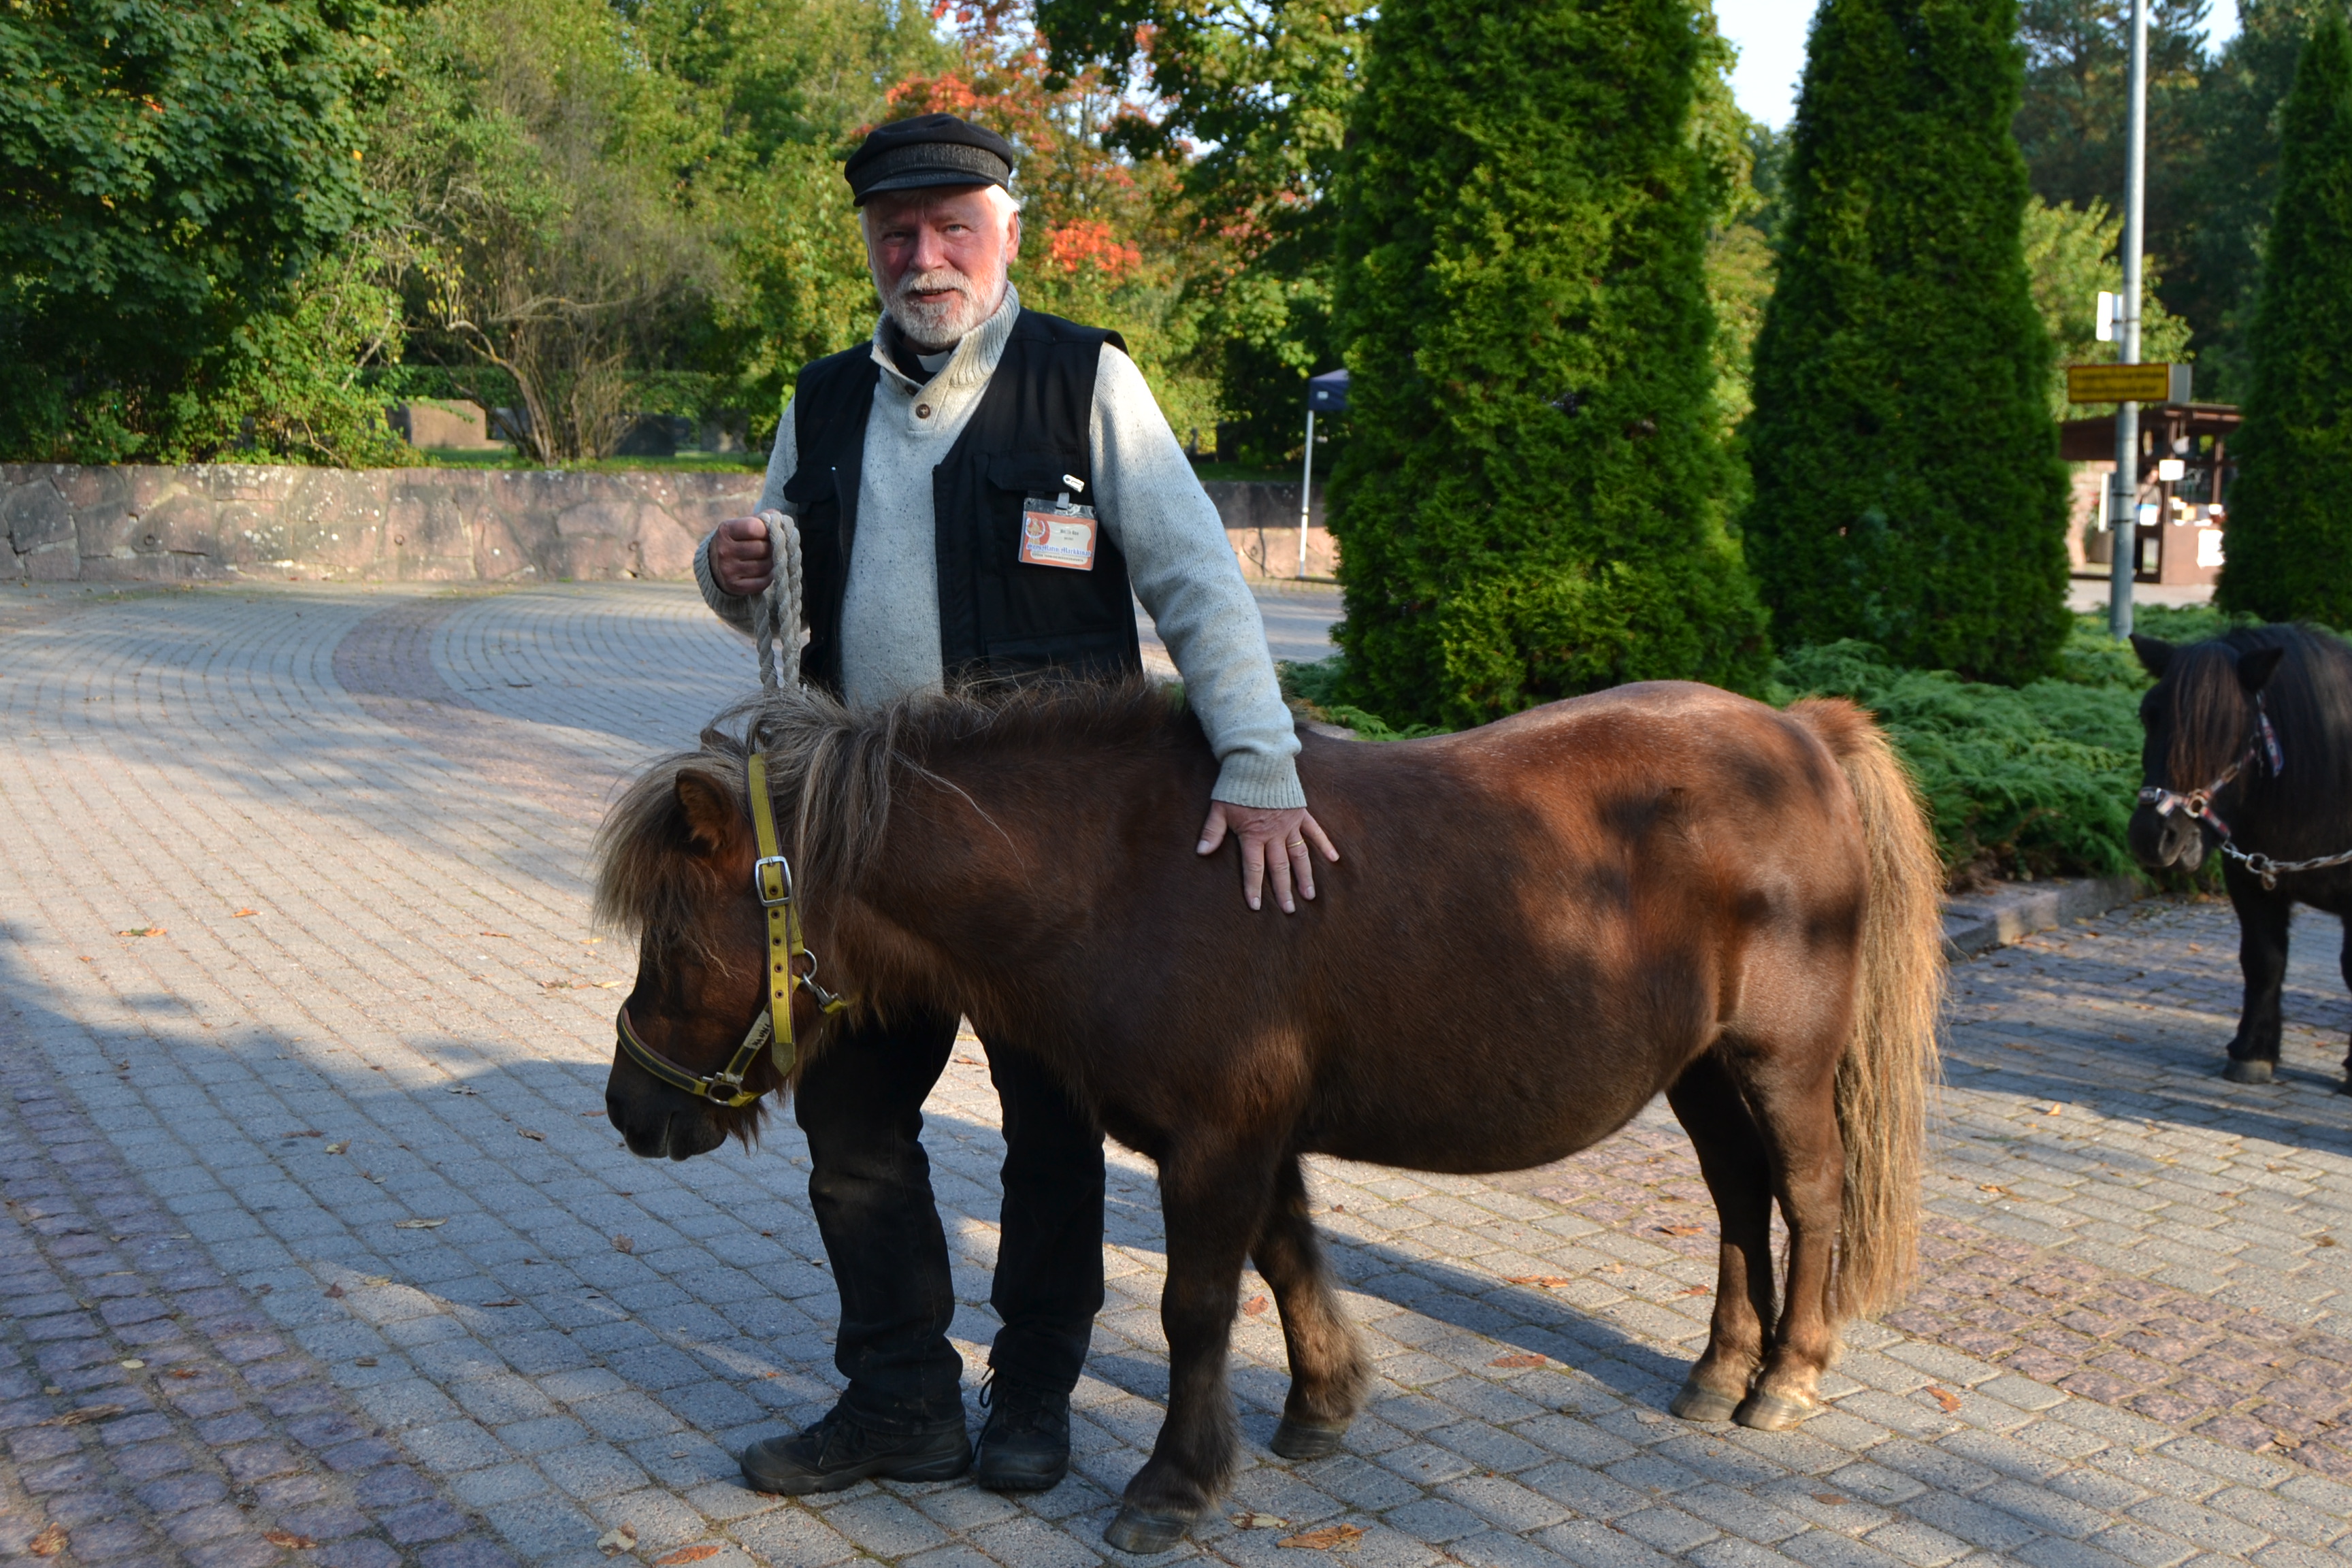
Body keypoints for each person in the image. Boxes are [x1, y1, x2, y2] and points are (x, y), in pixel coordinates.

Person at [696, 113, 1340, 1497]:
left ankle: (1036, 1389)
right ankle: (899, 1400)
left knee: (1054, 1135)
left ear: (1006, 233)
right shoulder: (821, 401)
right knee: (848, 1126)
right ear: (871, 245)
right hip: (870, 859)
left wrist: (1259, 763)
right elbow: (772, 598)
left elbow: (1196, 580)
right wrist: (732, 571)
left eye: (952, 229)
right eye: (897, 233)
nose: (923, 257)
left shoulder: (1082, 378)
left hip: (1049, 875)